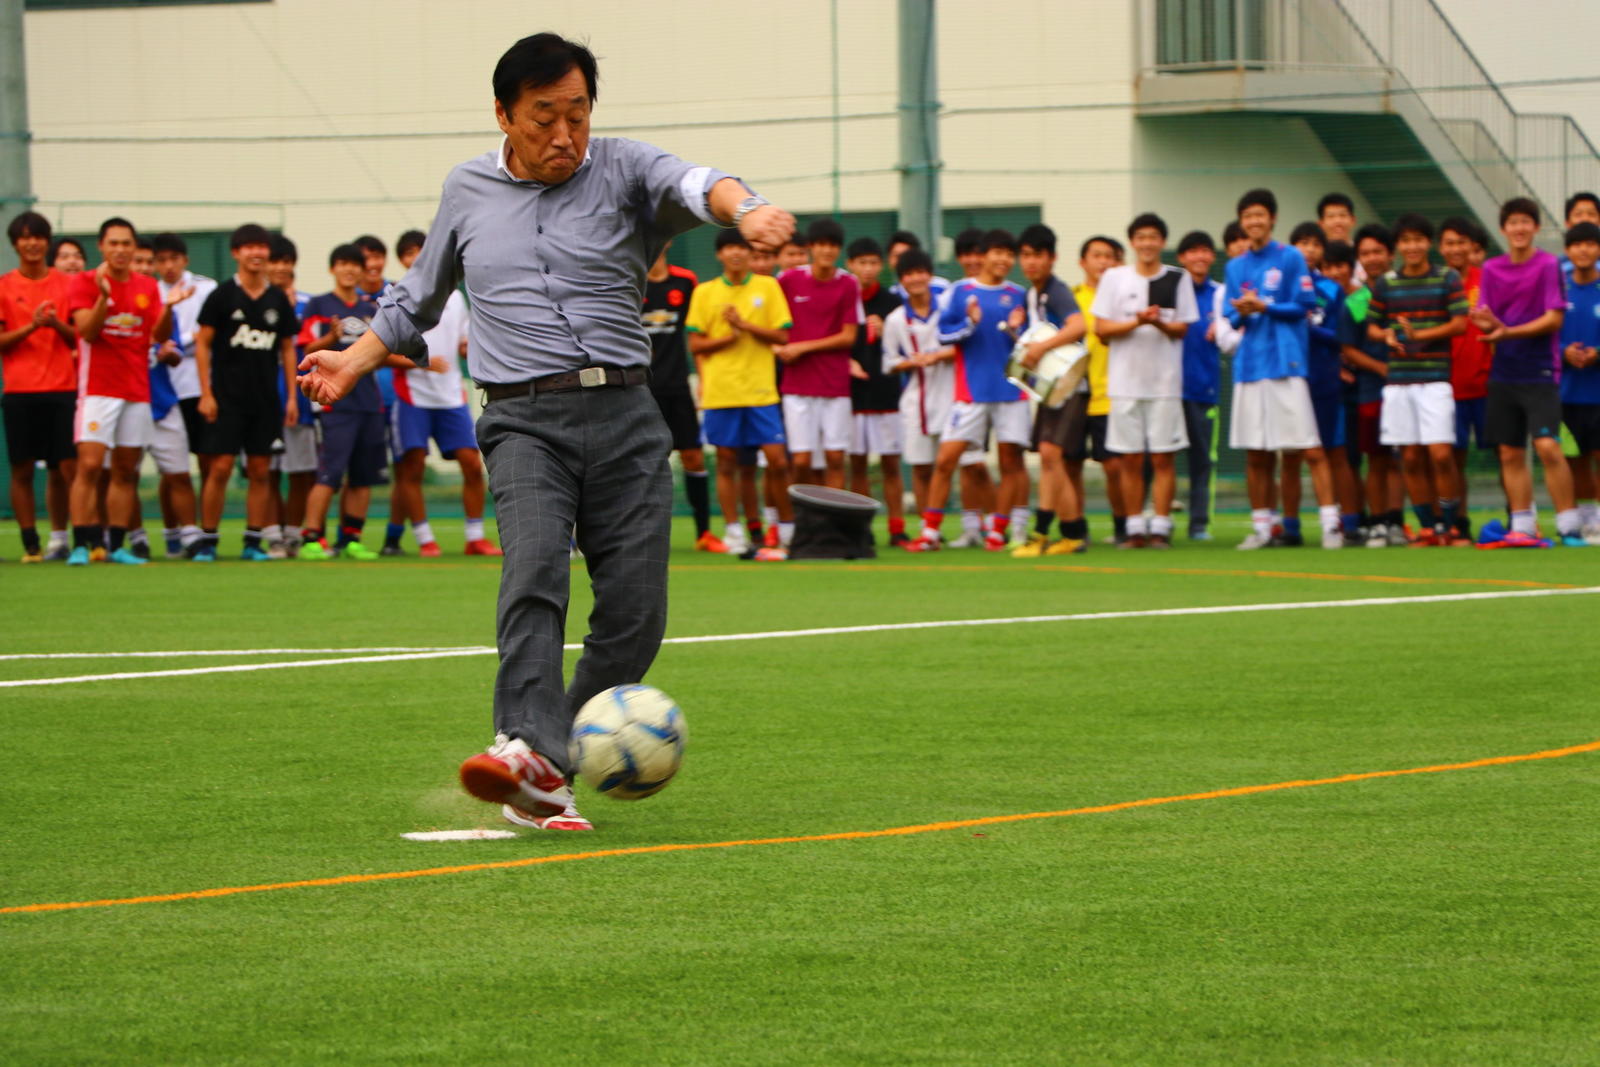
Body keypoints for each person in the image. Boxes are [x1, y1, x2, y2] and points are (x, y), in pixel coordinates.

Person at [298, 34, 796, 831]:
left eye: (578, 114)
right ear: (504, 115)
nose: (565, 135)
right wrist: (352, 363)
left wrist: (751, 208)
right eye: (544, 118)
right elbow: (414, 300)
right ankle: (526, 738)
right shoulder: (465, 190)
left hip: (630, 416)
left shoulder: (626, 169)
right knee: (534, 570)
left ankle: (542, 765)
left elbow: (698, 182)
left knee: (636, 613)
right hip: (523, 417)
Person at [1223, 188, 1341, 550]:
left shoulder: (1290, 257)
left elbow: (1304, 306)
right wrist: (1242, 311)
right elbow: (1229, 315)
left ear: (1272, 219)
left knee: (1309, 448)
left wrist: (1266, 308)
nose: (1254, 222)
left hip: (1286, 363)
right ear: (1242, 223)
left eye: (1260, 215)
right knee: (1256, 453)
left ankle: (1330, 525)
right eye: (1248, 217)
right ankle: (1262, 528)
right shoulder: (1234, 266)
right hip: (1249, 366)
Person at [64, 217, 183, 565]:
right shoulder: (86, 283)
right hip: (98, 390)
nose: (120, 249)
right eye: (113, 243)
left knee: (126, 470)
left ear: (134, 248)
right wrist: (104, 299)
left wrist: (170, 306)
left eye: (126, 243)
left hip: (136, 390)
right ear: (101, 246)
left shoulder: (146, 285)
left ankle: (116, 545)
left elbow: (159, 336)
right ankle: (81, 545)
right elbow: (86, 331)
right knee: (88, 467)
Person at [382, 229, 501, 558]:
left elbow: (464, 340)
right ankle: (424, 539)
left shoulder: (455, 295)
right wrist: (418, 364)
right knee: (413, 466)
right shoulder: (396, 294)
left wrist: (469, 347)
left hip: (451, 397)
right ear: (402, 259)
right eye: (408, 253)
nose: (415, 258)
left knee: (470, 462)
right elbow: (379, 349)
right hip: (413, 398)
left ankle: (475, 536)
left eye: (421, 251)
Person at [911, 229, 1030, 550]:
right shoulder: (959, 292)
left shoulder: (1019, 294)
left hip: (1011, 393)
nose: (1003, 259)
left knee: (1010, 463)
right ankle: (930, 532)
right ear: (985, 255)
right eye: (997, 252)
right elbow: (943, 336)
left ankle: (998, 532)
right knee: (946, 460)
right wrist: (971, 323)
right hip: (970, 392)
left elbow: (1031, 347)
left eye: (1009, 253)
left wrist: (1019, 331)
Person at [191, 224, 302, 561]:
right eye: (248, 247)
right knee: (220, 467)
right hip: (226, 398)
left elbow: (286, 349)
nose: (256, 253)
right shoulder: (222, 295)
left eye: (261, 247)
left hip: (265, 400)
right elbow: (202, 344)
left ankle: (253, 541)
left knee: (260, 470)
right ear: (235, 253)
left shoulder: (277, 299)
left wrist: (293, 397)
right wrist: (206, 393)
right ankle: (207, 539)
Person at [1473, 197, 1580, 545]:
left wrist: (1507, 331)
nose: (1519, 228)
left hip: (1541, 371)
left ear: (1535, 228)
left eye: (1525, 222)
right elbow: (1484, 316)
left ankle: (1569, 526)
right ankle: (1521, 525)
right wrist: (1487, 325)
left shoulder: (1549, 265)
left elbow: (1554, 318)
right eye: (1513, 222)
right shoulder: (1491, 269)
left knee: (1548, 446)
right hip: (1504, 372)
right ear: (1503, 229)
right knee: (1510, 451)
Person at [1092, 213, 1197, 549]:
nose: (1147, 243)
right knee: (1130, 458)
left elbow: (1182, 328)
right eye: (1141, 237)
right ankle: (1135, 528)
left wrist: (1158, 324)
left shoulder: (1177, 279)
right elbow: (1102, 330)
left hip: (1165, 383)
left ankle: (1162, 527)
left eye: (1154, 237)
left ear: (1162, 242)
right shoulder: (1114, 278)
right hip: (1124, 385)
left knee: (1164, 457)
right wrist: (1137, 322)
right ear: (1133, 242)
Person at [686, 229, 794, 556]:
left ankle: (785, 528)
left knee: (776, 459)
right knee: (727, 461)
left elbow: (782, 337)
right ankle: (734, 530)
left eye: (742, 248)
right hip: (722, 390)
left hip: (761, 390)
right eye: (729, 248)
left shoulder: (769, 286)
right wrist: (728, 338)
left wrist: (744, 326)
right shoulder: (705, 292)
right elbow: (696, 344)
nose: (736, 254)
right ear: (720, 255)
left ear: (751, 254)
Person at [1365, 214, 1468, 545]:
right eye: (1405, 241)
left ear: (1429, 244)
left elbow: (1460, 324)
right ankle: (1427, 526)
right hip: (1398, 382)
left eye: (1418, 240)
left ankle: (1449, 524)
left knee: (1440, 454)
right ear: (1398, 246)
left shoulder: (1447, 278)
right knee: (1408, 456)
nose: (1412, 246)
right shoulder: (1386, 283)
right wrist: (1388, 338)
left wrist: (1422, 334)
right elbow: (1372, 327)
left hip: (1436, 379)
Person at [295, 244, 390, 561]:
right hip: (334, 403)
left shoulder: (372, 308)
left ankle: (351, 537)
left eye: (355, 265)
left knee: (363, 474)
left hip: (368, 401)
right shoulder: (319, 305)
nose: (349, 270)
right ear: (332, 268)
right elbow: (306, 346)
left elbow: (382, 352)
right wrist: (331, 339)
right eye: (343, 264)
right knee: (330, 472)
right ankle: (311, 537)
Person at [0, 211, 78, 562]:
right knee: (22, 469)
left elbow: (81, 334)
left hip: (64, 387)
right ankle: (30, 542)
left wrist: (55, 324)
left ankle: (67, 537)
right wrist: (31, 327)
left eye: (38, 237)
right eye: (25, 237)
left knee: (66, 468)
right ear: (15, 243)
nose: (32, 243)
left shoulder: (67, 283)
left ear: (48, 242)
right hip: (20, 391)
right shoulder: (4, 286)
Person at [882, 248, 978, 532]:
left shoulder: (948, 307)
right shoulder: (897, 319)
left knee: (971, 464)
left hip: (955, 395)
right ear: (901, 281)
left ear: (930, 274)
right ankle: (929, 529)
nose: (916, 279)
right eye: (909, 274)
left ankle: (977, 527)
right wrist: (911, 362)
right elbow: (888, 362)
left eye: (921, 272)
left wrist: (937, 356)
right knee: (922, 467)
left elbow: (964, 346)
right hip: (917, 400)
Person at [1011, 223, 1086, 557]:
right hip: (1052, 387)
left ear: (1052, 258)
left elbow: (1080, 325)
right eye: (1025, 255)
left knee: (1050, 454)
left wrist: (1042, 349)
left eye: (1038, 255)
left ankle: (1041, 533)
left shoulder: (1056, 290)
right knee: (1051, 457)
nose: (1031, 262)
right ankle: (1072, 533)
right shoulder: (1032, 294)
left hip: (1070, 386)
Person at [641, 244, 715, 551]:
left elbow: (695, 332)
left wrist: (702, 379)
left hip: (678, 385)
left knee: (693, 456)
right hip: (640, 388)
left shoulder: (686, 281)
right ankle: (643, 534)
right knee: (644, 462)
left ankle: (704, 534)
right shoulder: (631, 278)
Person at [777, 219, 860, 489]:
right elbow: (771, 325)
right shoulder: (788, 279)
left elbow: (849, 336)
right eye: (822, 244)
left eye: (833, 245)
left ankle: (835, 524)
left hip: (834, 384)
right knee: (801, 460)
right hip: (797, 385)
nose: (827, 251)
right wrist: (778, 348)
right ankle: (804, 521)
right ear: (811, 247)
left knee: (836, 458)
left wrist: (802, 346)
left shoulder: (849, 283)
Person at [1338, 224, 1405, 546]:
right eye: (1365, 253)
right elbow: (1348, 349)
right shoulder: (1355, 302)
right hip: (1370, 391)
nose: (1372, 258)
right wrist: (1379, 367)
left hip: (1410, 385)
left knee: (1402, 458)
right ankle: (1377, 521)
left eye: (1378, 251)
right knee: (1377, 458)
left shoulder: (1406, 291)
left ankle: (1397, 520)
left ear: (1390, 254)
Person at [150, 232, 215, 558]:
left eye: (173, 259)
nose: (168, 266)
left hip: (197, 386)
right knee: (170, 467)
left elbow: (210, 332)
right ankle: (173, 531)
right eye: (161, 260)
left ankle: (203, 533)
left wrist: (183, 341)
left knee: (206, 461)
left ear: (185, 260)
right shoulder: (149, 291)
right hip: (161, 389)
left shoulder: (206, 288)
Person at [844, 237, 907, 544]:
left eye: (872, 263)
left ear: (881, 266)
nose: (867, 270)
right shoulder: (842, 297)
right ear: (850, 265)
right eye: (861, 263)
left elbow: (903, 349)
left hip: (886, 394)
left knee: (891, 463)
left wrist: (884, 334)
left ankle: (897, 528)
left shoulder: (892, 302)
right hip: (852, 394)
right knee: (857, 462)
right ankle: (859, 528)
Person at [1066, 235, 1125, 549]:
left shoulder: (1123, 300)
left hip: (1111, 393)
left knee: (1114, 466)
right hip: (1075, 395)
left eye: (1109, 256)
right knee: (1071, 463)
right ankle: (1078, 526)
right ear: (1082, 262)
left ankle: (1122, 526)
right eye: (1096, 256)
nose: (1103, 262)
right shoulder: (1071, 298)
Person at [1438, 216, 1494, 539]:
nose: (1456, 249)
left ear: (1472, 246)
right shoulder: (1434, 282)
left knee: (1505, 453)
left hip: (1487, 385)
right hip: (1447, 386)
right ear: (1440, 248)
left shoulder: (1489, 279)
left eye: (1462, 242)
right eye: (1449, 242)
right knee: (1453, 459)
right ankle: (1459, 522)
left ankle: (1518, 520)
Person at [267, 235, 317, 556]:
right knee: (267, 470)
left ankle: (293, 533)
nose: (281, 267)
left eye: (287, 261)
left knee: (302, 470)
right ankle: (273, 534)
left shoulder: (307, 303)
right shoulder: (251, 302)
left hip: (298, 397)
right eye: (276, 261)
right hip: (262, 397)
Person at [1174, 230, 1224, 541]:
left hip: (1204, 389)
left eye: (1204, 251)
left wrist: (1226, 324)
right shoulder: (1170, 291)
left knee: (1202, 460)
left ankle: (1198, 524)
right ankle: (1151, 521)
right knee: (1156, 460)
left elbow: (1237, 329)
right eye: (1192, 251)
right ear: (1182, 258)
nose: (1199, 257)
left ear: (1212, 257)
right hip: (1167, 389)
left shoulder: (1220, 295)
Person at [1559, 220, 1600, 544]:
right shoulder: (1559, 290)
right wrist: (1564, 353)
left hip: (1597, 390)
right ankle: (1588, 520)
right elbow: (1544, 333)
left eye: (1590, 244)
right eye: (1577, 244)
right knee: (1576, 460)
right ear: (1567, 251)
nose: (1583, 250)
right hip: (1566, 392)